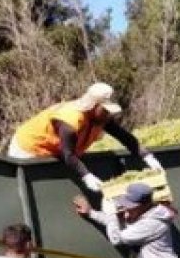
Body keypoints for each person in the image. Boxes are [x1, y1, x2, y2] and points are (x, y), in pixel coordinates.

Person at [9, 82, 164, 193]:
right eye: (104, 110)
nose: (108, 114)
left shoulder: (101, 118)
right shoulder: (70, 120)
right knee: (35, 188)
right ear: (93, 106)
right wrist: (87, 176)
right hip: (29, 148)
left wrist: (148, 157)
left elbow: (125, 137)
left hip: (56, 151)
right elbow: (68, 154)